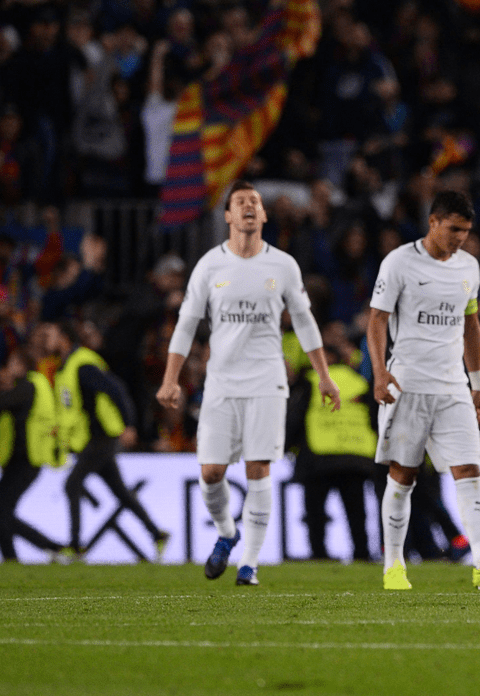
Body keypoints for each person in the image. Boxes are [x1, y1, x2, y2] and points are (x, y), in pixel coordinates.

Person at [157, 179, 341, 586]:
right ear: (227, 215)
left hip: (267, 381)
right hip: (221, 382)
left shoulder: (283, 266)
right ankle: (227, 532)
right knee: (210, 473)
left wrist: (324, 376)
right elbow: (186, 326)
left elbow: (307, 323)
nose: (248, 206)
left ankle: (250, 564)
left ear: (264, 214)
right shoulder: (209, 266)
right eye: (240, 201)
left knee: (258, 468)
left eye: (254, 201)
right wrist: (171, 379)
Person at [366, 190, 480, 591]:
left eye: (467, 230)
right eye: (454, 228)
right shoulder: (400, 262)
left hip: (453, 386)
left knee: (469, 472)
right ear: (433, 221)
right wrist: (379, 372)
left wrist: (477, 386)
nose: (461, 237)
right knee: (403, 476)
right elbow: (376, 320)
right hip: (407, 383)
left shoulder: (469, 268)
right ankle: (393, 564)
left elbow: (471, 326)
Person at [48, 320, 169, 562]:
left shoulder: (82, 365)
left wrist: (127, 424)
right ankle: (157, 534)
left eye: (50, 334)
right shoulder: (68, 366)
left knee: (72, 484)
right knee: (120, 492)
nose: (45, 339)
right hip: (91, 438)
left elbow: (116, 389)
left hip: (101, 437)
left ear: (64, 338)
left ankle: (75, 547)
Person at [291, 342, 375, 562]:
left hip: (318, 457)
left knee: (315, 512)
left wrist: (288, 445)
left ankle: (318, 554)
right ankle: (362, 554)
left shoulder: (310, 381)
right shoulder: (359, 382)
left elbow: (296, 416)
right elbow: (374, 418)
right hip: (355, 457)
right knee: (357, 512)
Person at [0, 348, 66, 562]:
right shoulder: (35, 385)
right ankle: (17, 556)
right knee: (1, 512)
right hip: (24, 459)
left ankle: (49, 547)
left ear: (21, 364)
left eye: (11, 362)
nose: (7, 368)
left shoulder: (29, 385)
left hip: (27, 459)